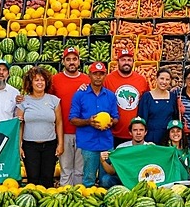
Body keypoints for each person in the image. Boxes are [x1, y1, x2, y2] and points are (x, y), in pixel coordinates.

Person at [69, 61, 119, 188]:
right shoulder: (80, 95)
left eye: (101, 74)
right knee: (88, 179)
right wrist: (88, 122)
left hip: (106, 144)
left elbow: (116, 118)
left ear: (105, 75)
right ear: (89, 75)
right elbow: (72, 119)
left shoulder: (110, 96)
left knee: (106, 179)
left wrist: (111, 123)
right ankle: (90, 205)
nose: (98, 77)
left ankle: (105, 205)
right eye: (95, 74)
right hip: (88, 143)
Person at [16, 66, 63, 188]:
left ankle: (46, 206)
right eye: (36, 80)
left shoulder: (54, 100)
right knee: (33, 179)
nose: (40, 83)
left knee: (47, 179)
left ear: (46, 82)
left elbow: (59, 123)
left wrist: (61, 144)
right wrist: (19, 145)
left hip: (49, 145)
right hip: (30, 146)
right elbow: (19, 125)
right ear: (30, 83)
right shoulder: (23, 101)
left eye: (42, 80)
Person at [51, 46, 90, 186]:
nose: (71, 62)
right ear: (63, 62)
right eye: (68, 59)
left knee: (80, 170)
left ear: (79, 61)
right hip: (63, 131)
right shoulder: (55, 80)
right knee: (66, 169)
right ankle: (65, 198)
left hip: (83, 131)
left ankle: (78, 198)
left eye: (74, 59)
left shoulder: (87, 80)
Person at [104, 49, 149, 145]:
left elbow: (147, 102)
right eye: (123, 60)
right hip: (114, 133)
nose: (126, 63)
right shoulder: (108, 79)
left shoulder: (141, 80)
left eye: (129, 60)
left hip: (136, 135)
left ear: (133, 62)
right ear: (118, 62)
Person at [99, 117, 152, 188]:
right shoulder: (122, 148)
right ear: (130, 132)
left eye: (141, 130)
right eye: (135, 130)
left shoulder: (150, 148)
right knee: (105, 180)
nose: (138, 133)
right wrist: (103, 161)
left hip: (144, 180)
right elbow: (112, 171)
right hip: (124, 180)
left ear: (145, 132)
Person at [138, 67, 178, 145]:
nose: (164, 82)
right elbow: (142, 119)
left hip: (168, 137)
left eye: (167, 79)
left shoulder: (172, 97)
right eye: (161, 78)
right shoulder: (147, 97)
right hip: (151, 138)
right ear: (156, 79)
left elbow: (175, 118)